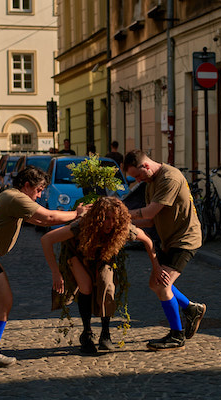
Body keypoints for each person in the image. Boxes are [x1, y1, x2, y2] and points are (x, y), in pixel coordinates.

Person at [0, 166, 90, 367]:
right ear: (27, 185)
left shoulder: (11, 196)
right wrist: (77, 214)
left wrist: (72, 218)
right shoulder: (16, 198)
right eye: (38, 190)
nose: (40, 194)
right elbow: (49, 217)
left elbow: (38, 221)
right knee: (3, 302)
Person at [41, 196, 167, 354]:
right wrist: (55, 273)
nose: (109, 223)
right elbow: (46, 239)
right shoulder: (81, 225)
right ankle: (87, 334)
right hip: (76, 254)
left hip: (103, 256)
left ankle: (105, 334)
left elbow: (148, 241)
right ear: (97, 218)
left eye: (113, 219)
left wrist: (156, 267)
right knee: (86, 287)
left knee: (107, 285)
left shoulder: (122, 228)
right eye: (105, 218)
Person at [123, 149, 206, 351]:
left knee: (162, 286)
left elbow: (150, 211)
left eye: (138, 175)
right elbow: (150, 219)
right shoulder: (151, 182)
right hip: (168, 239)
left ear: (146, 165)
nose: (138, 180)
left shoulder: (169, 178)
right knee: (155, 282)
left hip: (184, 240)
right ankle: (191, 308)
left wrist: (121, 213)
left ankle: (176, 335)